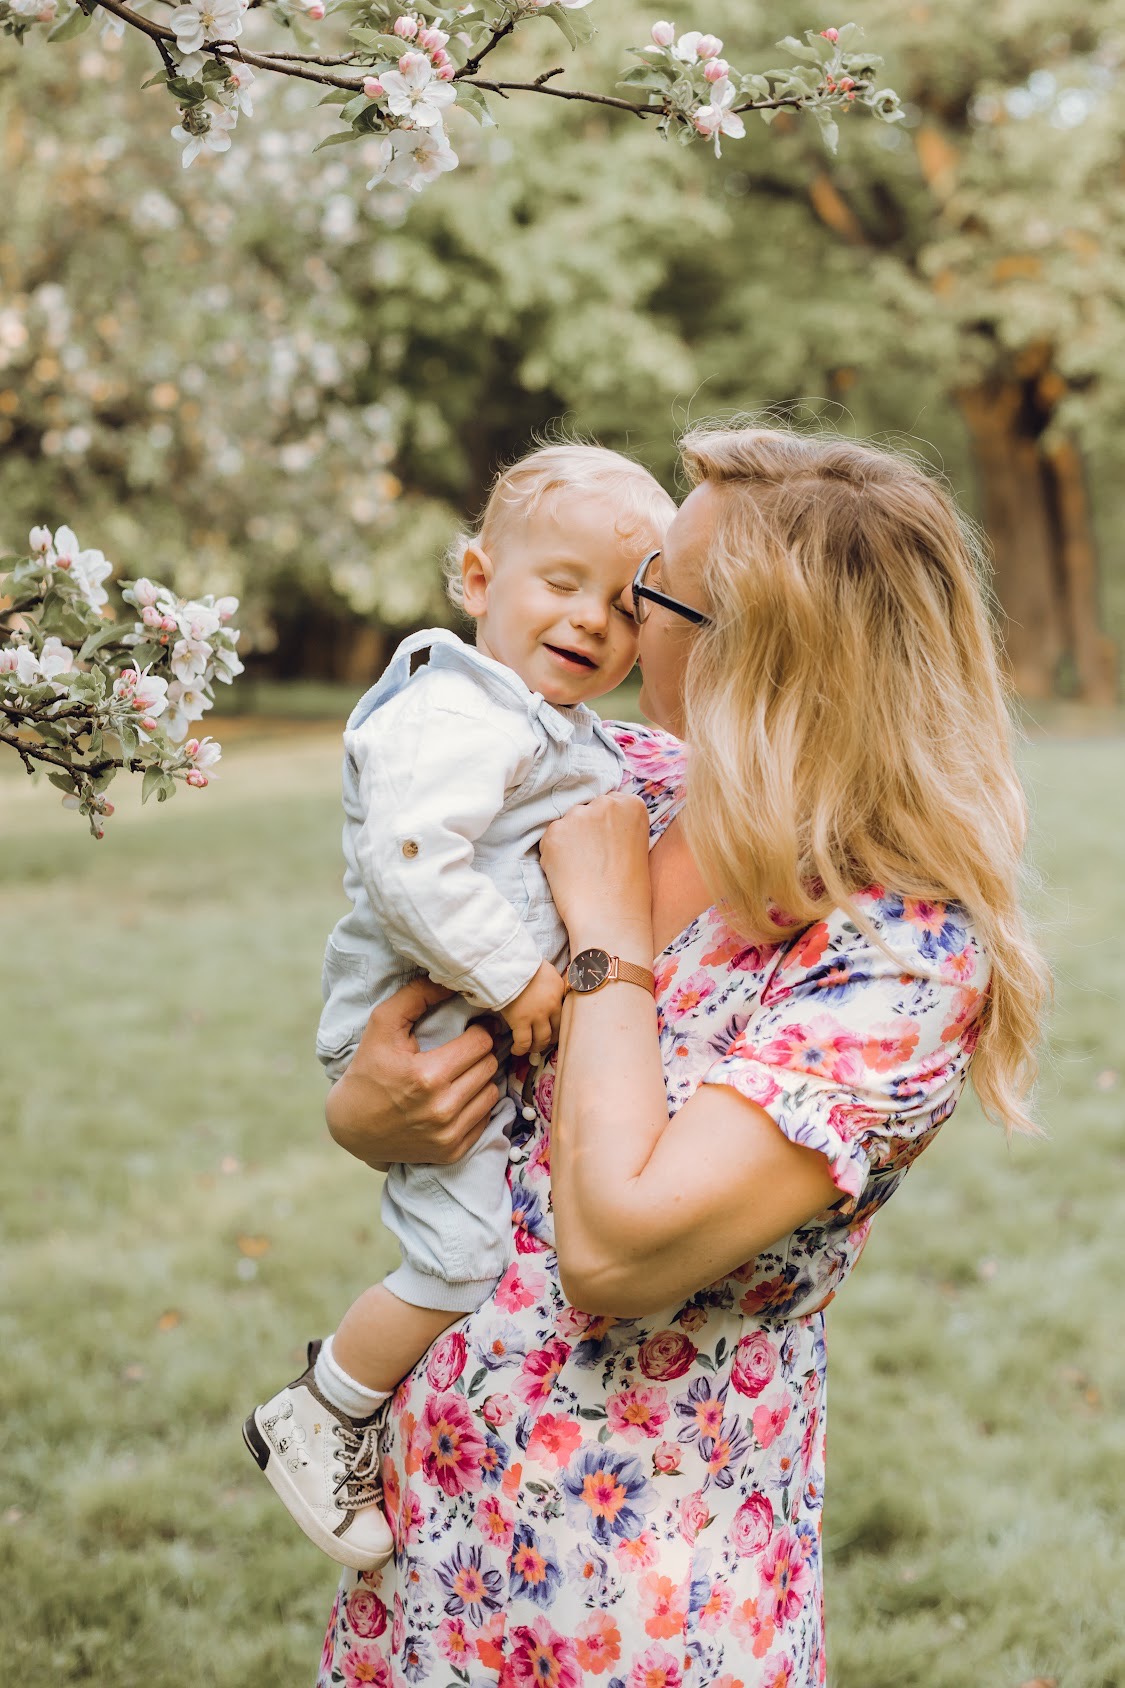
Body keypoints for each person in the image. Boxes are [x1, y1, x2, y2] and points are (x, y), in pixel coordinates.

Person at [315, 425, 1046, 1685]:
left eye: (652, 585)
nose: (616, 616)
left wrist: (607, 942)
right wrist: (368, 1112)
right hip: (435, 1517)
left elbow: (614, 1250)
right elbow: (412, 1016)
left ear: (752, 650)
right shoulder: (614, 780)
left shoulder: (900, 953)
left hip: (642, 1581)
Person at [243, 443, 675, 1571]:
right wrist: (525, 982)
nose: (593, 619)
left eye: (627, 605)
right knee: (458, 1254)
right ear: (478, 579)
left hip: (467, 1019)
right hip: (425, 1021)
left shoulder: (544, 722)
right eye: (562, 581)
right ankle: (326, 1403)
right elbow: (410, 862)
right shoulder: (452, 711)